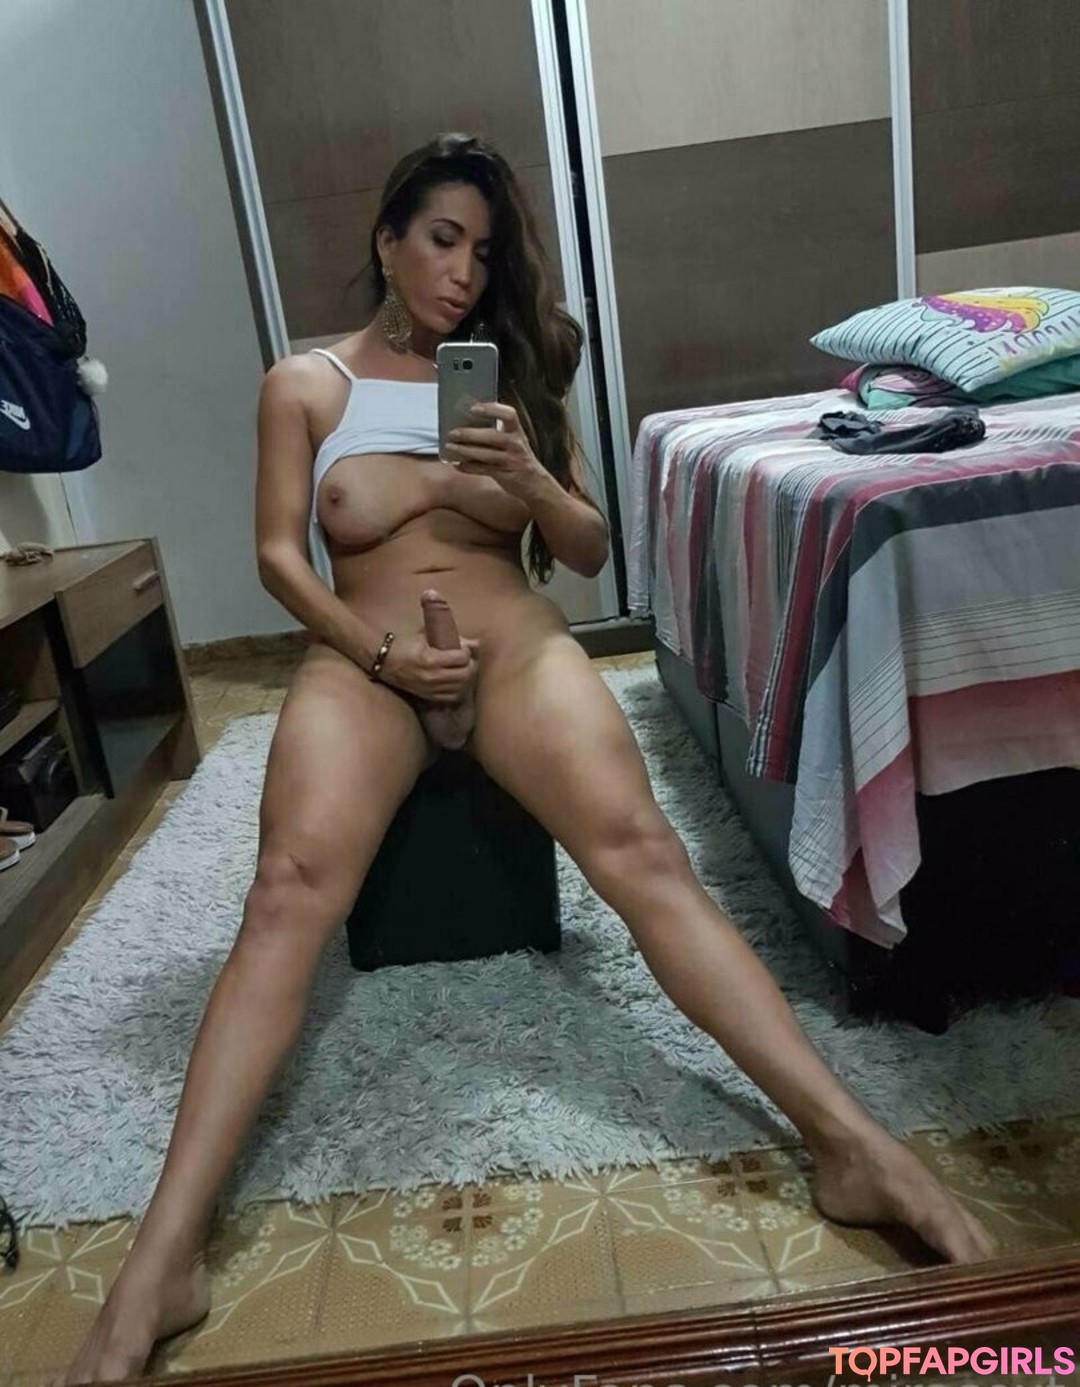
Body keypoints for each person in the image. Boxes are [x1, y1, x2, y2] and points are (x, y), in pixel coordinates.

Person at [61, 132, 995, 1384]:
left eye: (484, 252)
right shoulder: (305, 383)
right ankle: (164, 1257)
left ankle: (850, 1143)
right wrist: (383, 656)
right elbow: (280, 556)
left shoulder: (507, 378)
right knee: (284, 891)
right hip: (369, 658)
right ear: (388, 237)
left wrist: (526, 474)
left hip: (511, 645)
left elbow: (590, 546)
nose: (463, 272)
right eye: (442, 240)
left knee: (644, 852)